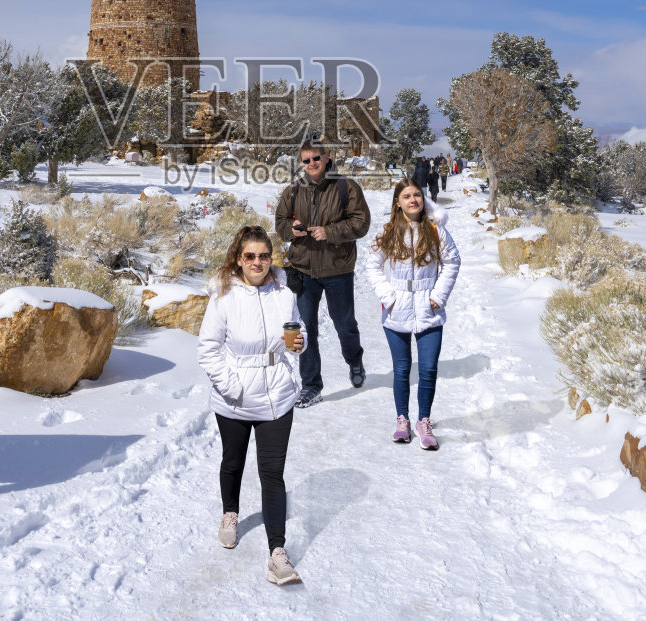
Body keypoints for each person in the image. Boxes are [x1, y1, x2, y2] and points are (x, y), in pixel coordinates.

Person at [197, 225, 306, 585]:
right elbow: (208, 349)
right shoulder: (223, 296)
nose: (258, 262)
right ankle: (230, 513)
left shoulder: (284, 294)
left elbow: (294, 331)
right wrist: (230, 386)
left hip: (276, 394)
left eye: (264, 256)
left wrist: (296, 345)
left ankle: (277, 552)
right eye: (250, 256)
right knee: (233, 461)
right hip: (235, 396)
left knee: (272, 474)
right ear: (238, 258)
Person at [274, 140, 371, 406]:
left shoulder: (346, 187)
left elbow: (361, 223)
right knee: (305, 329)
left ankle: (355, 361)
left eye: (315, 158)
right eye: (305, 160)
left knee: (345, 325)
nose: (311, 164)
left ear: (326, 158)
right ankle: (311, 385)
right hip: (303, 270)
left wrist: (330, 232)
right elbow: (280, 222)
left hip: (338, 268)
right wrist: (289, 229)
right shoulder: (293, 191)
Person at [366, 180, 460, 450]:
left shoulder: (436, 230)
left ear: (423, 199)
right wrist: (388, 296)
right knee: (402, 369)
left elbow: (453, 261)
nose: (413, 200)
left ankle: (424, 421)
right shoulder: (389, 231)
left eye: (417, 195)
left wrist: (438, 296)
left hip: (429, 307)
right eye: (406, 196)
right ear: (398, 202)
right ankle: (402, 420)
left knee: (428, 369)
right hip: (397, 308)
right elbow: (372, 266)